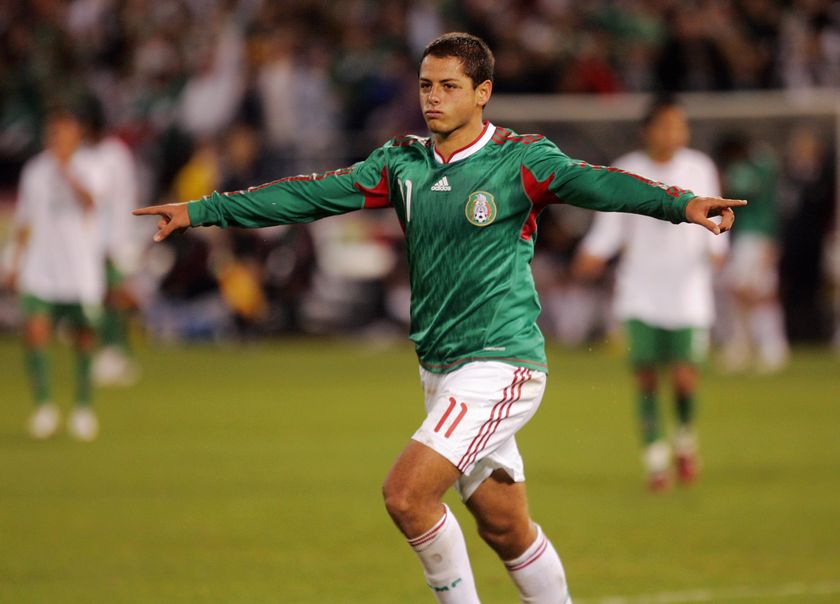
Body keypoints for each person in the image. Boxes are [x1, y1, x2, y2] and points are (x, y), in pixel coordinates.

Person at [134, 33, 744, 604]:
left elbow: (601, 184)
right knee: (506, 528)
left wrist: (681, 203)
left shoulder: (519, 160)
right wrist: (202, 209)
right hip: (442, 369)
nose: (432, 97)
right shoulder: (402, 164)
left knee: (406, 495)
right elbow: (308, 193)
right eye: (426, 85)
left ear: (482, 93)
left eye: (448, 86)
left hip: (501, 363)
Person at [572, 97, 728, 491]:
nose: (674, 134)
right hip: (639, 290)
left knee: (683, 379)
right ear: (648, 131)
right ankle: (656, 462)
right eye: (666, 126)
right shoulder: (629, 169)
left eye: (680, 126)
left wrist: (718, 249)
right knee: (645, 378)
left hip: (687, 291)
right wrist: (593, 251)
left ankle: (685, 439)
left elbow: (716, 214)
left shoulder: (699, 167)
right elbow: (610, 225)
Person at [7, 108, 105, 441]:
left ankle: (82, 407)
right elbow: (24, 221)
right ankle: (45, 406)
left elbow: (92, 202)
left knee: (85, 338)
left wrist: (67, 172)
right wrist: (13, 263)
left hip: (79, 270)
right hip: (41, 268)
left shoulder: (92, 166)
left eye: (63, 135)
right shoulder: (34, 171)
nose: (57, 142)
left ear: (77, 137)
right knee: (35, 331)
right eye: (52, 135)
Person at [717, 134, 790, 373]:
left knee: (760, 294)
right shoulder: (763, 167)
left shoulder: (759, 168)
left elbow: (736, 188)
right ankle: (743, 347)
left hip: (757, 238)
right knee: (742, 293)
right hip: (748, 237)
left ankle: (772, 349)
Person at [85, 101, 143, 386]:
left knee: (114, 293)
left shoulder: (114, 155)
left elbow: (118, 200)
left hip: (117, 237)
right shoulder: (87, 154)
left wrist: (117, 241)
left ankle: (117, 353)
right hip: (92, 239)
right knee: (101, 296)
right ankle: (114, 352)